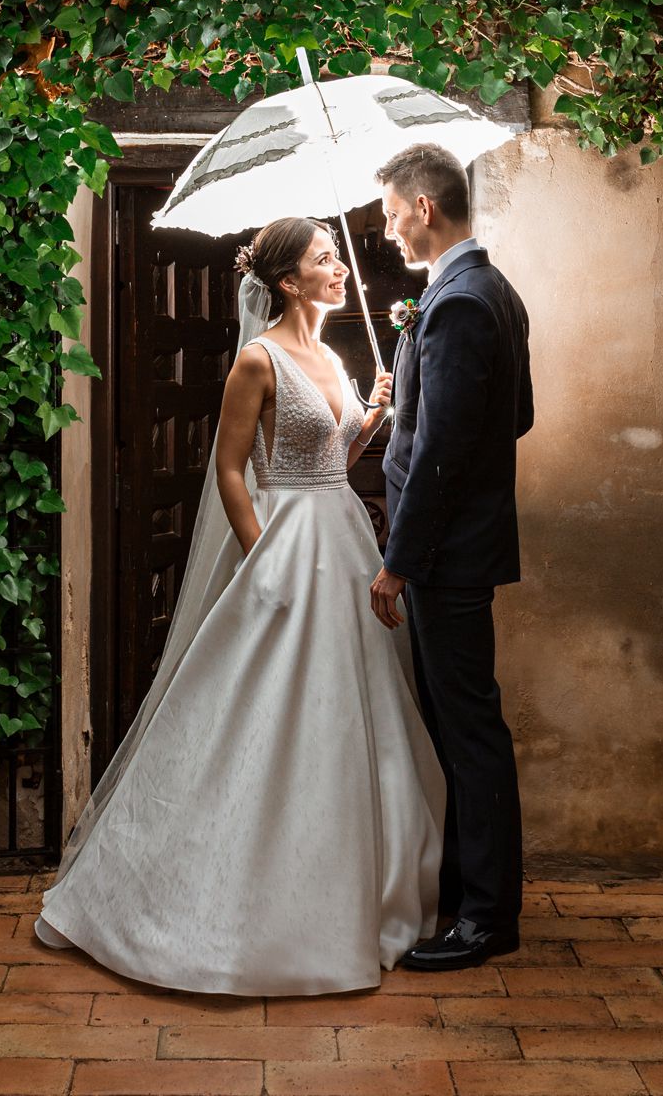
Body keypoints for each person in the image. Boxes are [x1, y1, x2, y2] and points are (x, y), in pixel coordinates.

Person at [35, 216, 445, 995]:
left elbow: (336, 458)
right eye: (322, 260)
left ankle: (359, 889)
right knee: (260, 708)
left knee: (353, 711)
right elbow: (228, 471)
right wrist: (259, 554)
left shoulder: (331, 354)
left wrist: (371, 415)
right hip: (284, 537)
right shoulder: (256, 361)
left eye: (334, 257)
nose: (337, 269)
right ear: (286, 281)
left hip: (344, 539)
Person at [369, 143, 533, 971]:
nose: (389, 228)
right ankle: (472, 899)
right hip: (457, 545)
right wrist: (414, 396)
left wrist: (399, 558)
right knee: (461, 725)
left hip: (444, 555)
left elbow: (440, 454)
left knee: (468, 731)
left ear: (425, 207)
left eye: (392, 212)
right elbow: (513, 417)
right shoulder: (488, 291)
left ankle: (485, 919)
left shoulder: (460, 302)